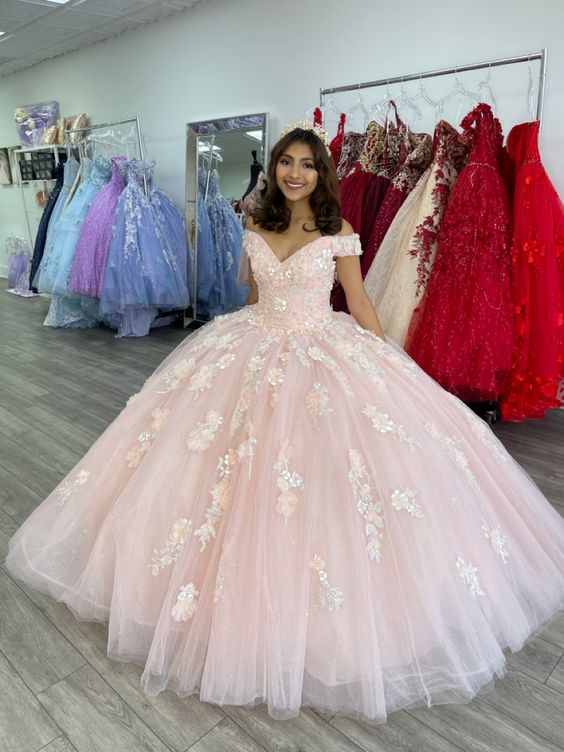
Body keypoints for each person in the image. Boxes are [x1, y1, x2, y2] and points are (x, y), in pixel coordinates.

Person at [5, 121, 564, 723]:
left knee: (329, 473)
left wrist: (385, 358)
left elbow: (357, 300)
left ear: (321, 173)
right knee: (209, 467)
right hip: (253, 345)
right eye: (286, 163)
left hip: (322, 349)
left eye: (307, 164)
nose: (295, 173)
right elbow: (253, 300)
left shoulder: (338, 231)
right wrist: (241, 334)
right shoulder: (254, 226)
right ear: (273, 169)